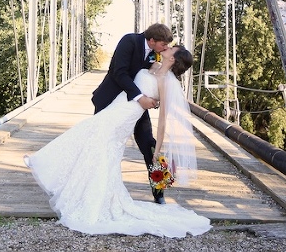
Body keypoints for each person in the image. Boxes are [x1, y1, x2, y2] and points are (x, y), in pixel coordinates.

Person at [24, 44, 211, 238]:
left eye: (172, 48)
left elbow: (163, 120)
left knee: (89, 135)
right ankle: (89, 195)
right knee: (96, 147)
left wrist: (157, 150)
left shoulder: (165, 81)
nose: (167, 47)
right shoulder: (153, 65)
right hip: (116, 107)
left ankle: (46, 165)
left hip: (124, 118)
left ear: (173, 59)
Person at [91, 23, 172, 204]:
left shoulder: (156, 53)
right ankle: (96, 190)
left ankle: (159, 193)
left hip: (137, 108)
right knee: (101, 145)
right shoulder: (129, 41)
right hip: (111, 102)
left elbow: (155, 76)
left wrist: (155, 96)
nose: (165, 48)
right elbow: (118, 73)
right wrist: (140, 97)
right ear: (151, 40)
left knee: (149, 145)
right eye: (163, 45)